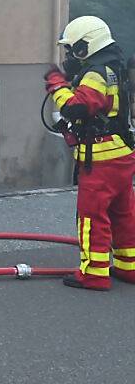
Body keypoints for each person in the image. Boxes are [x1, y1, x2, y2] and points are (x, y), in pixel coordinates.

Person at [46, 15, 135, 290]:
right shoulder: (115, 67)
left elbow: (77, 108)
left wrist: (57, 85)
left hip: (101, 160)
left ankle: (94, 273)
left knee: (92, 216)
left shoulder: (96, 73)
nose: (70, 56)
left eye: (72, 49)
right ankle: (128, 266)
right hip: (121, 154)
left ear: (86, 46)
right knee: (123, 212)